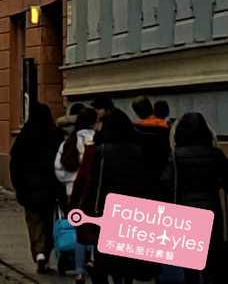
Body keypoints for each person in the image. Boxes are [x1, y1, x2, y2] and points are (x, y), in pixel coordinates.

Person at [72, 109, 146, 284]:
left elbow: (91, 182)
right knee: (126, 253)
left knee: (102, 254)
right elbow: (143, 181)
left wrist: (80, 206)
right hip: (130, 209)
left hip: (104, 208)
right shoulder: (137, 150)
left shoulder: (100, 150)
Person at [159, 112, 228, 284]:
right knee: (212, 261)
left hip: (186, 212)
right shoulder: (215, 154)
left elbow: (166, 183)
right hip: (211, 210)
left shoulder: (175, 156)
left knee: (190, 264)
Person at [9, 101, 62, 274]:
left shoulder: (24, 136)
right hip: (50, 188)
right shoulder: (54, 135)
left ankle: (38, 253)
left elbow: (14, 164)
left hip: (29, 188)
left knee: (34, 222)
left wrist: (18, 187)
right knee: (49, 222)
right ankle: (46, 254)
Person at [54, 106, 96, 282]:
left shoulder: (69, 141)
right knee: (97, 229)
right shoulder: (96, 139)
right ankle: (94, 261)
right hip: (94, 191)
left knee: (80, 231)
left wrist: (70, 182)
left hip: (74, 193)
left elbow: (59, 168)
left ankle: (79, 269)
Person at [132, 94, 171, 186]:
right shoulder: (167, 126)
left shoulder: (135, 129)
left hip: (144, 175)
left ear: (137, 113)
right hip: (164, 171)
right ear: (151, 107)